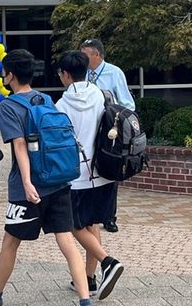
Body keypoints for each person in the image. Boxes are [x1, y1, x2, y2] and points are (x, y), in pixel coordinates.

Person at [0, 49, 92, 306]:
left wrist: (26, 181)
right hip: (59, 181)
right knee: (66, 239)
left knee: (11, 241)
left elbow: (19, 145)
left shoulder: (9, 106)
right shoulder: (45, 99)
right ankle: (85, 300)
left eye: (4, 73)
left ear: (9, 75)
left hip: (28, 188)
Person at [55, 50, 124, 300]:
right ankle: (88, 279)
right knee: (92, 222)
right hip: (105, 171)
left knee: (71, 224)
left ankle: (108, 262)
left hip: (77, 176)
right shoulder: (101, 94)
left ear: (65, 74)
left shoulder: (61, 105)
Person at [79, 38, 134, 233]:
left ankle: (109, 216)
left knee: (109, 170)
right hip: (87, 127)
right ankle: (89, 213)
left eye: (85, 54)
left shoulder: (114, 72)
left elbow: (128, 103)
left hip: (108, 129)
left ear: (97, 55)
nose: (82, 58)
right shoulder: (82, 73)